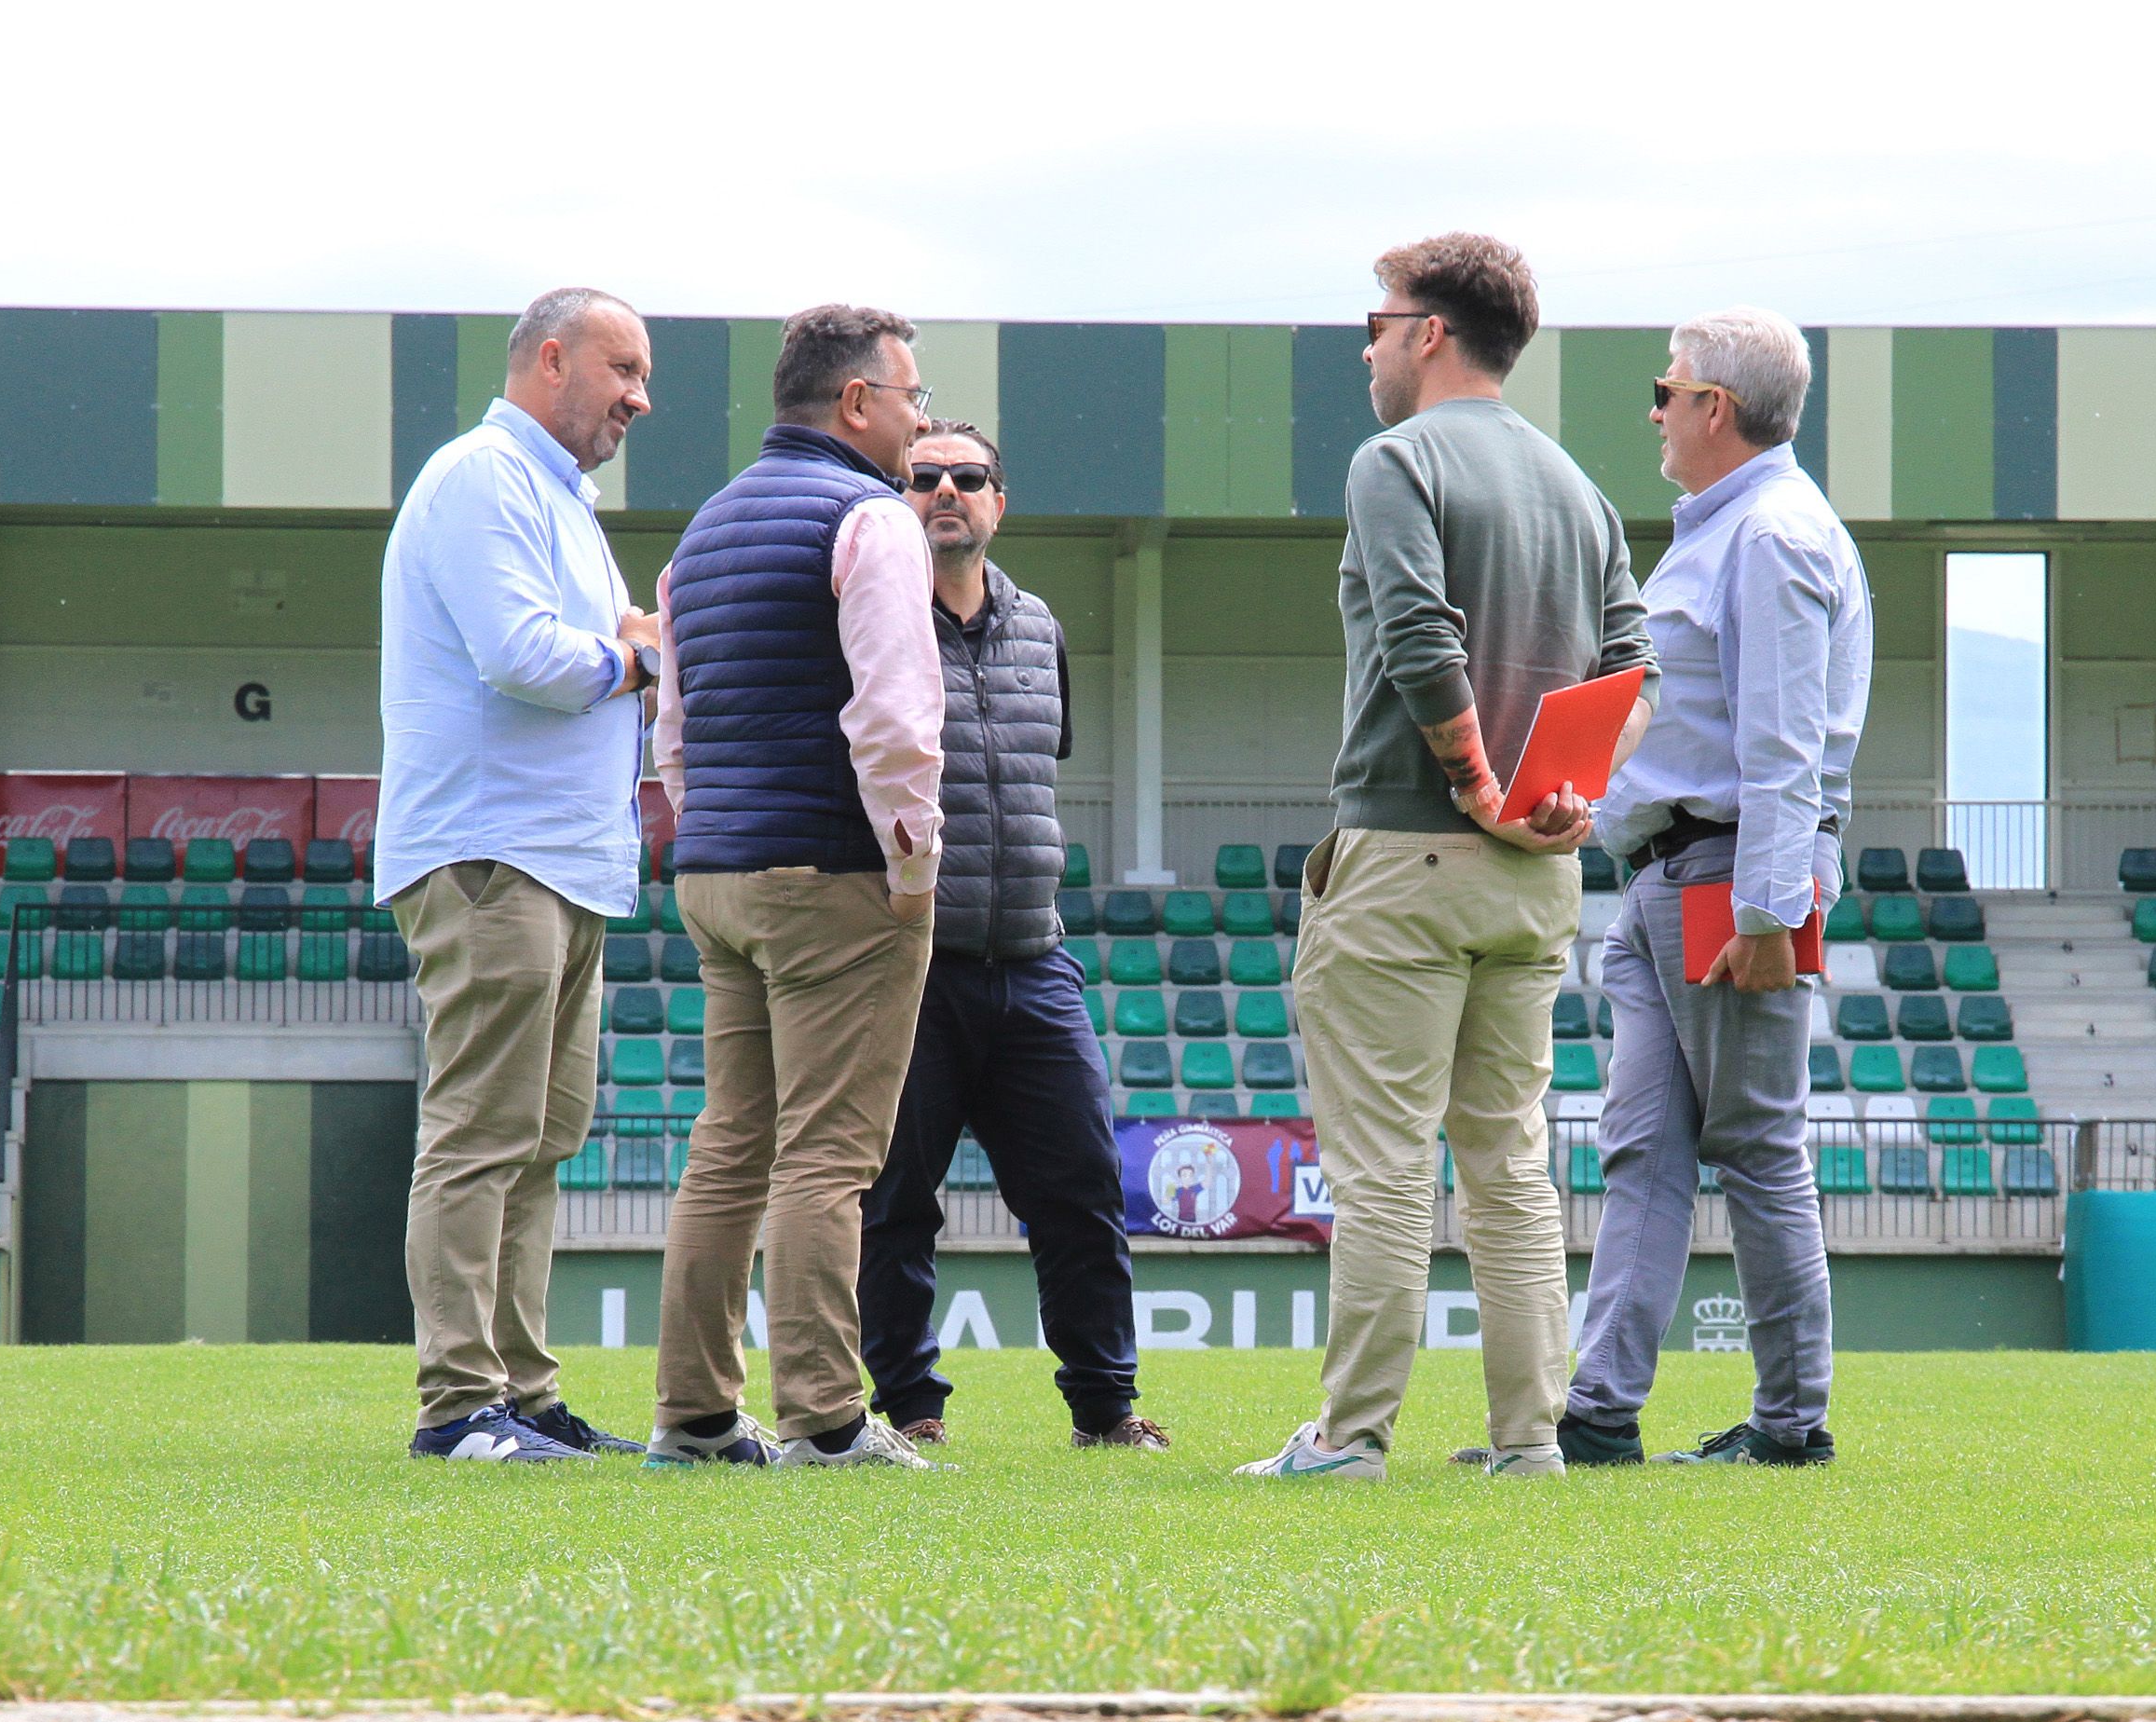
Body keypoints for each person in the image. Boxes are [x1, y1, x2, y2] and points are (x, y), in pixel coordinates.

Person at [1239, 234, 1655, 1482]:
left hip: (1410, 851)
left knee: (1377, 1164)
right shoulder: (1574, 486)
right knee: (1508, 1163)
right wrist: (1566, 794)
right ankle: (1530, 1439)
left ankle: (1349, 1434)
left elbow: (1422, 635)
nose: (1364, 345)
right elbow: (1632, 667)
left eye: (1375, 322)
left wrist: (1477, 786)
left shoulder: (1395, 459)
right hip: (1538, 873)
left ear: (1426, 333)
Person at [1567, 307, 1871, 1466]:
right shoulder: (1723, 530)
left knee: (1755, 1148)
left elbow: (1786, 747)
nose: (1652, 408)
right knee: (1644, 1149)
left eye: (1666, 387)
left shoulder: (1774, 536)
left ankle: (1794, 1426)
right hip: (1662, 874)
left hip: (1727, 873)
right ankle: (1599, 1414)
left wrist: (1764, 911)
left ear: (1716, 409)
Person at [647, 307, 948, 1469]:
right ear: (857, 403)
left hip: (716, 870)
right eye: (912, 397)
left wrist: (706, 828)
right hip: (831, 874)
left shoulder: (705, 531)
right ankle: (826, 1417)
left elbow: (675, 728)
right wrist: (912, 869)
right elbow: (893, 715)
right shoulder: (872, 517)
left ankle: (698, 1412)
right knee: (828, 1155)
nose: (922, 419)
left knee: (730, 1144)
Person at [375, 285, 660, 1463]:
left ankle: (524, 1391)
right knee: (482, 1131)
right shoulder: (483, 477)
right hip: (493, 856)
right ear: (553, 359)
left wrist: (623, 654)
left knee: (541, 1138)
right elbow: (520, 655)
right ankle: (459, 1404)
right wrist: (634, 657)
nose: (640, 398)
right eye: (624, 370)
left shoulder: (557, 498)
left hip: (564, 865)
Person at [856, 422, 1167, 1453]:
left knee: (1082, 1191)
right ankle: (911, 1409)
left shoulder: (1042, 628)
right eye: (924, 476)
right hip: (914, 962)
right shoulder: (873, 625)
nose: (946, 490)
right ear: (900, 500)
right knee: (896, 1202)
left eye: (969, 477)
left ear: (1000, 500)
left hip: (1036, 957)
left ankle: (1106, 1409)